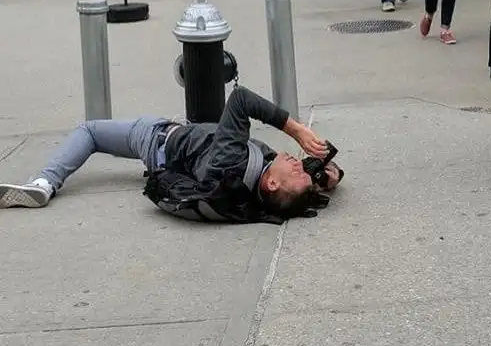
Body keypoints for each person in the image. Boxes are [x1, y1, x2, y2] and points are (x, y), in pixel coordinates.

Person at [0, 86, 343, 220]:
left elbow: (240, 99)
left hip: (156, 139)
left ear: (270, 184)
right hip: (177, 148)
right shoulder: (252, 188)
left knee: (89, 131)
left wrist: (295, 129)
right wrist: (329, 176)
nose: (298, 164)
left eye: (296, 171)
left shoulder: (232, 162)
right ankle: (44, 183)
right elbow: (299, 183)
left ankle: (44, 183)